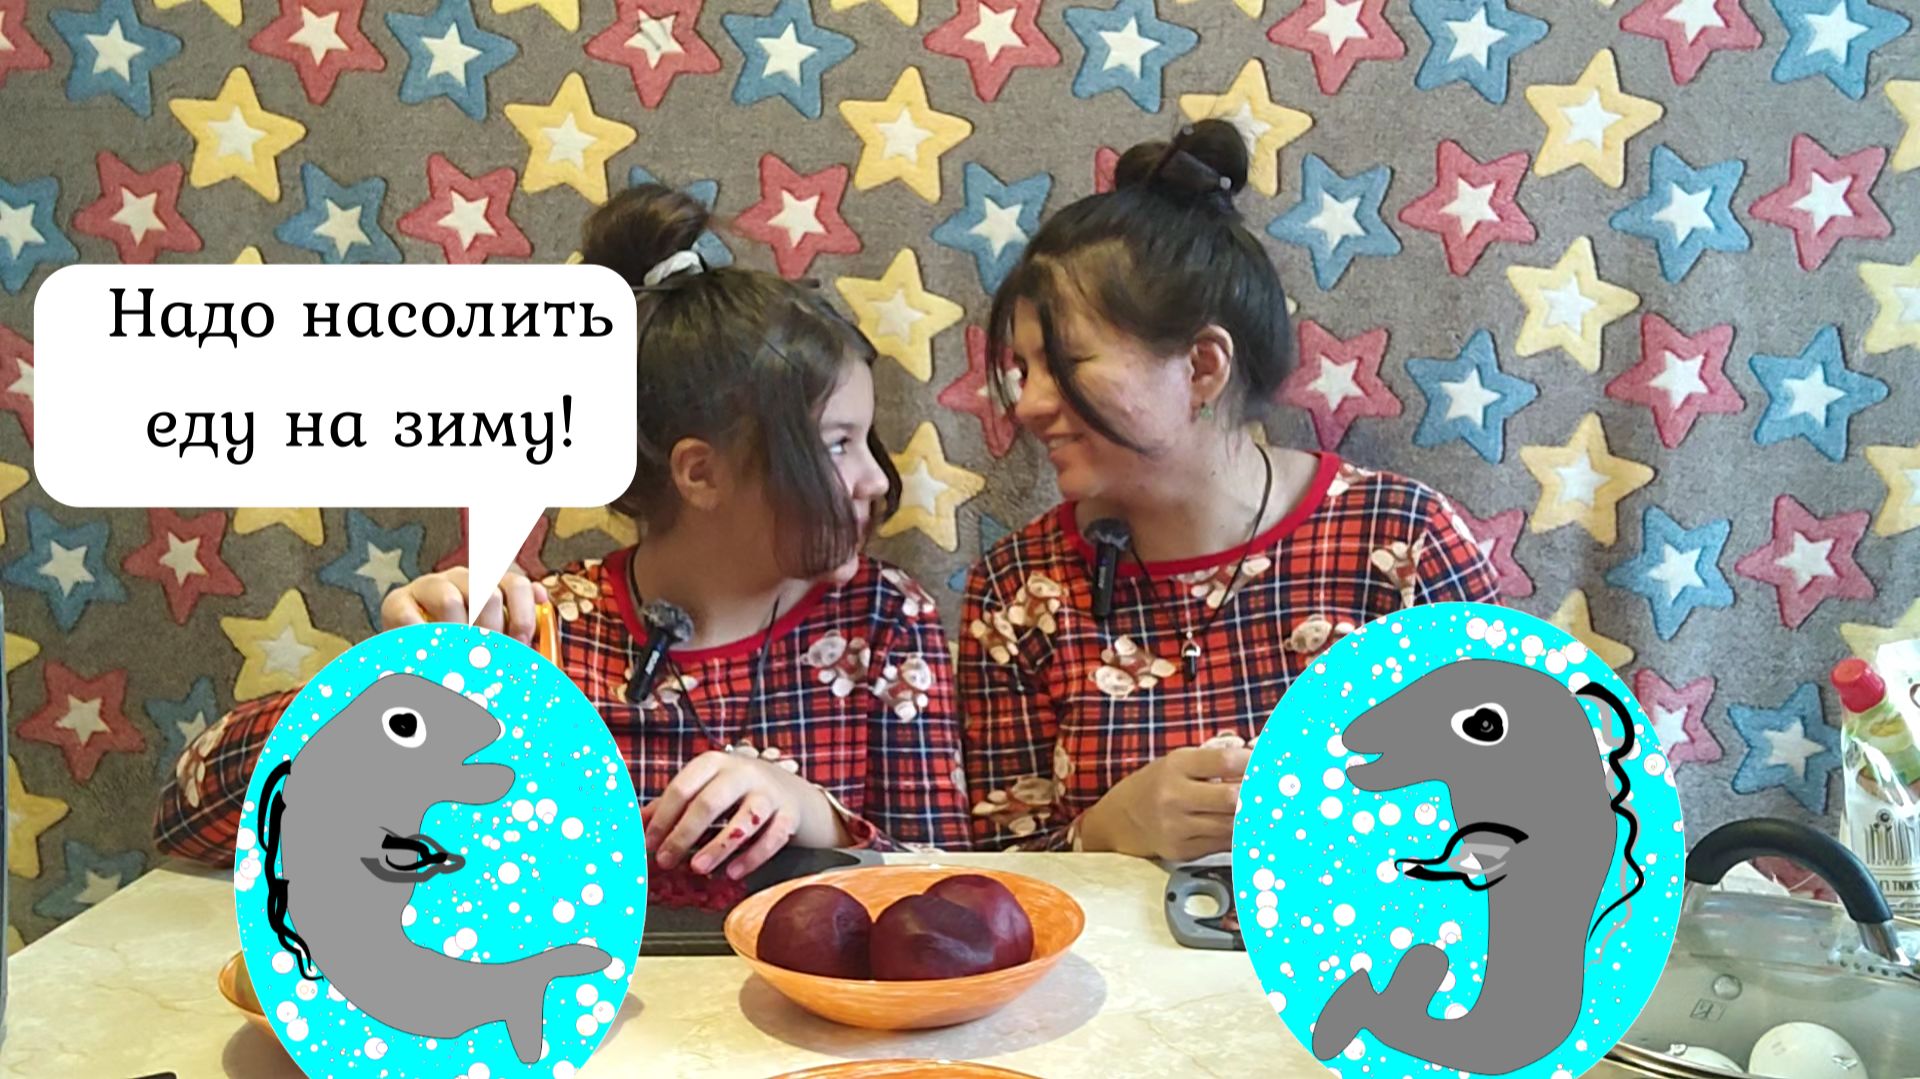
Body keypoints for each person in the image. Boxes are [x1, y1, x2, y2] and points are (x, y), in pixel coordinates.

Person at [156, 184, 973, 877]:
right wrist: (389, 688)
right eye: (837, 444)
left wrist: (813, 813)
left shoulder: (886, 622)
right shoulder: (539, 632)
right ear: (701, 473)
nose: (875, 480)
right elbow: (187, 819)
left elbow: (955, 887)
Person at [958, 121, 1501, 861]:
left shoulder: (1403, 544)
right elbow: (986, 887)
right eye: (1024, 370)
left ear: (1203, 367)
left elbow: (1535, 812)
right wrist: (1106, 831)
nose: (1027, 404)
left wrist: (1342, 827)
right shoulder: (1018, 590)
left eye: (1065, 363)